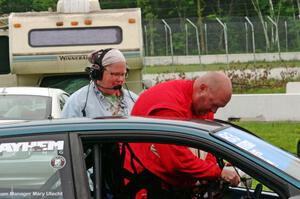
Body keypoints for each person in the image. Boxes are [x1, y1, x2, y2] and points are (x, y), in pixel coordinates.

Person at [124, 72, 240, 198]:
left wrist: (211, 169)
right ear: (202, 89)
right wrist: (218, 172)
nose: (214, 111)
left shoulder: (200, 105)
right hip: (146, 184)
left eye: (218, 107)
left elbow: (206, 147)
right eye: (214, 104)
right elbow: (176, 160)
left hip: (172, 184)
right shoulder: (169, 107)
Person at [62, 48, 138, 118]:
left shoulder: (135, 101)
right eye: (115, 74)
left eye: (123, 74)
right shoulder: (77, 102)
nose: (120, 79)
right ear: (98, 73)